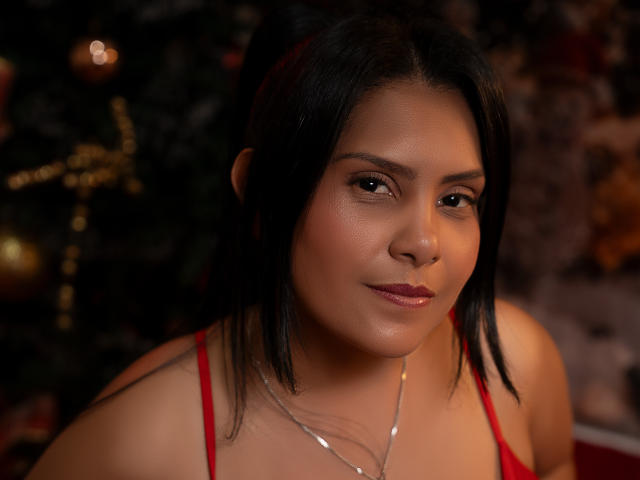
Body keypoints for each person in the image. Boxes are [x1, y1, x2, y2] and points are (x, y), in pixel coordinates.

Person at [27, 7, 575, 480]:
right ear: (262, 193)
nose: (423, 242)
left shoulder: (515, 363)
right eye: (373, 185)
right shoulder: (140, 438)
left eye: (456, 198)